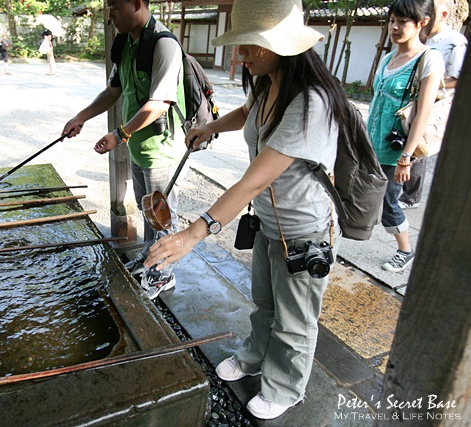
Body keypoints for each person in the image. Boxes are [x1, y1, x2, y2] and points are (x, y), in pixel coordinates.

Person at [144, 0, 350, 419]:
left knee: (295, 320)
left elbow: (254, 180)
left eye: (251, 46)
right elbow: (246, 113)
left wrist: (193, 234)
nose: (242, 55)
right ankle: (255, 357)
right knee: (265, 304)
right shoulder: (269, 80)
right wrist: (207, 128)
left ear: (282, 46)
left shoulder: (310, 102)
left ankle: (285, 386)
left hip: (305, 230)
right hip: (270, 223)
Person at [62, 0, 187, 299]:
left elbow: (159, 104)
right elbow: (113, 91)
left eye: (116, 6)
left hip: (162, 149)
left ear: (138, 3)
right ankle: (150, 261)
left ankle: (163, 275)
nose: (110, 13)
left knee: (163, 217)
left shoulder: (164, 45)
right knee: (148, 213)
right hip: (138, 147)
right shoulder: (126, 44)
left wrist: (120, 134)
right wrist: (81, 117)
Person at [367, 0, 444, 273]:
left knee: (390, 202)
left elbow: (422, 113)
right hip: (371, 142)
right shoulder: (388, 57)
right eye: (392, 21)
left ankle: (405, 250)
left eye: (403, 22)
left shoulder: (429, 59)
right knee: (359, 193)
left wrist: (406, 158)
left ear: (421, 23)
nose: (395, 27)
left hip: (395, 149)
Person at [398, 0, 467, 210]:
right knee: (406, 140)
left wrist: (430, 85)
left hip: (437, 104)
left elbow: (458, 78)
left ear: (444, 15)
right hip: (416, 100)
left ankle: (411, 197)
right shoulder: (424, 39)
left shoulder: (455, 42)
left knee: (420, 147)